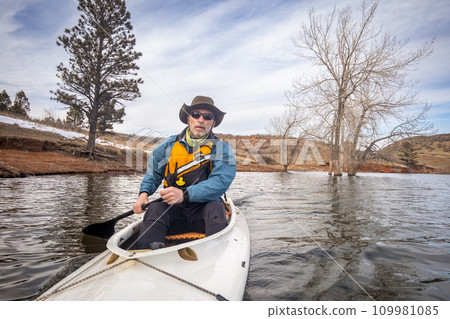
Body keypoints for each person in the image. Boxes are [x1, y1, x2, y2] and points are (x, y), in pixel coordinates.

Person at [133, 96, 236, 250]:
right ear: (188, 119)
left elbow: (220, 182)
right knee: (155, 208)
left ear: (213, 123)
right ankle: (146, 254)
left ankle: (215, 254)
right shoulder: (168, 146)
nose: (201, 120)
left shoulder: (222, 149)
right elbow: (153, 174)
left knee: (216, 207)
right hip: (174, 210)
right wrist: (143, 194)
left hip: (205, 210)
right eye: (196, 115)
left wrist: (184, 194)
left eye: (207, 117)